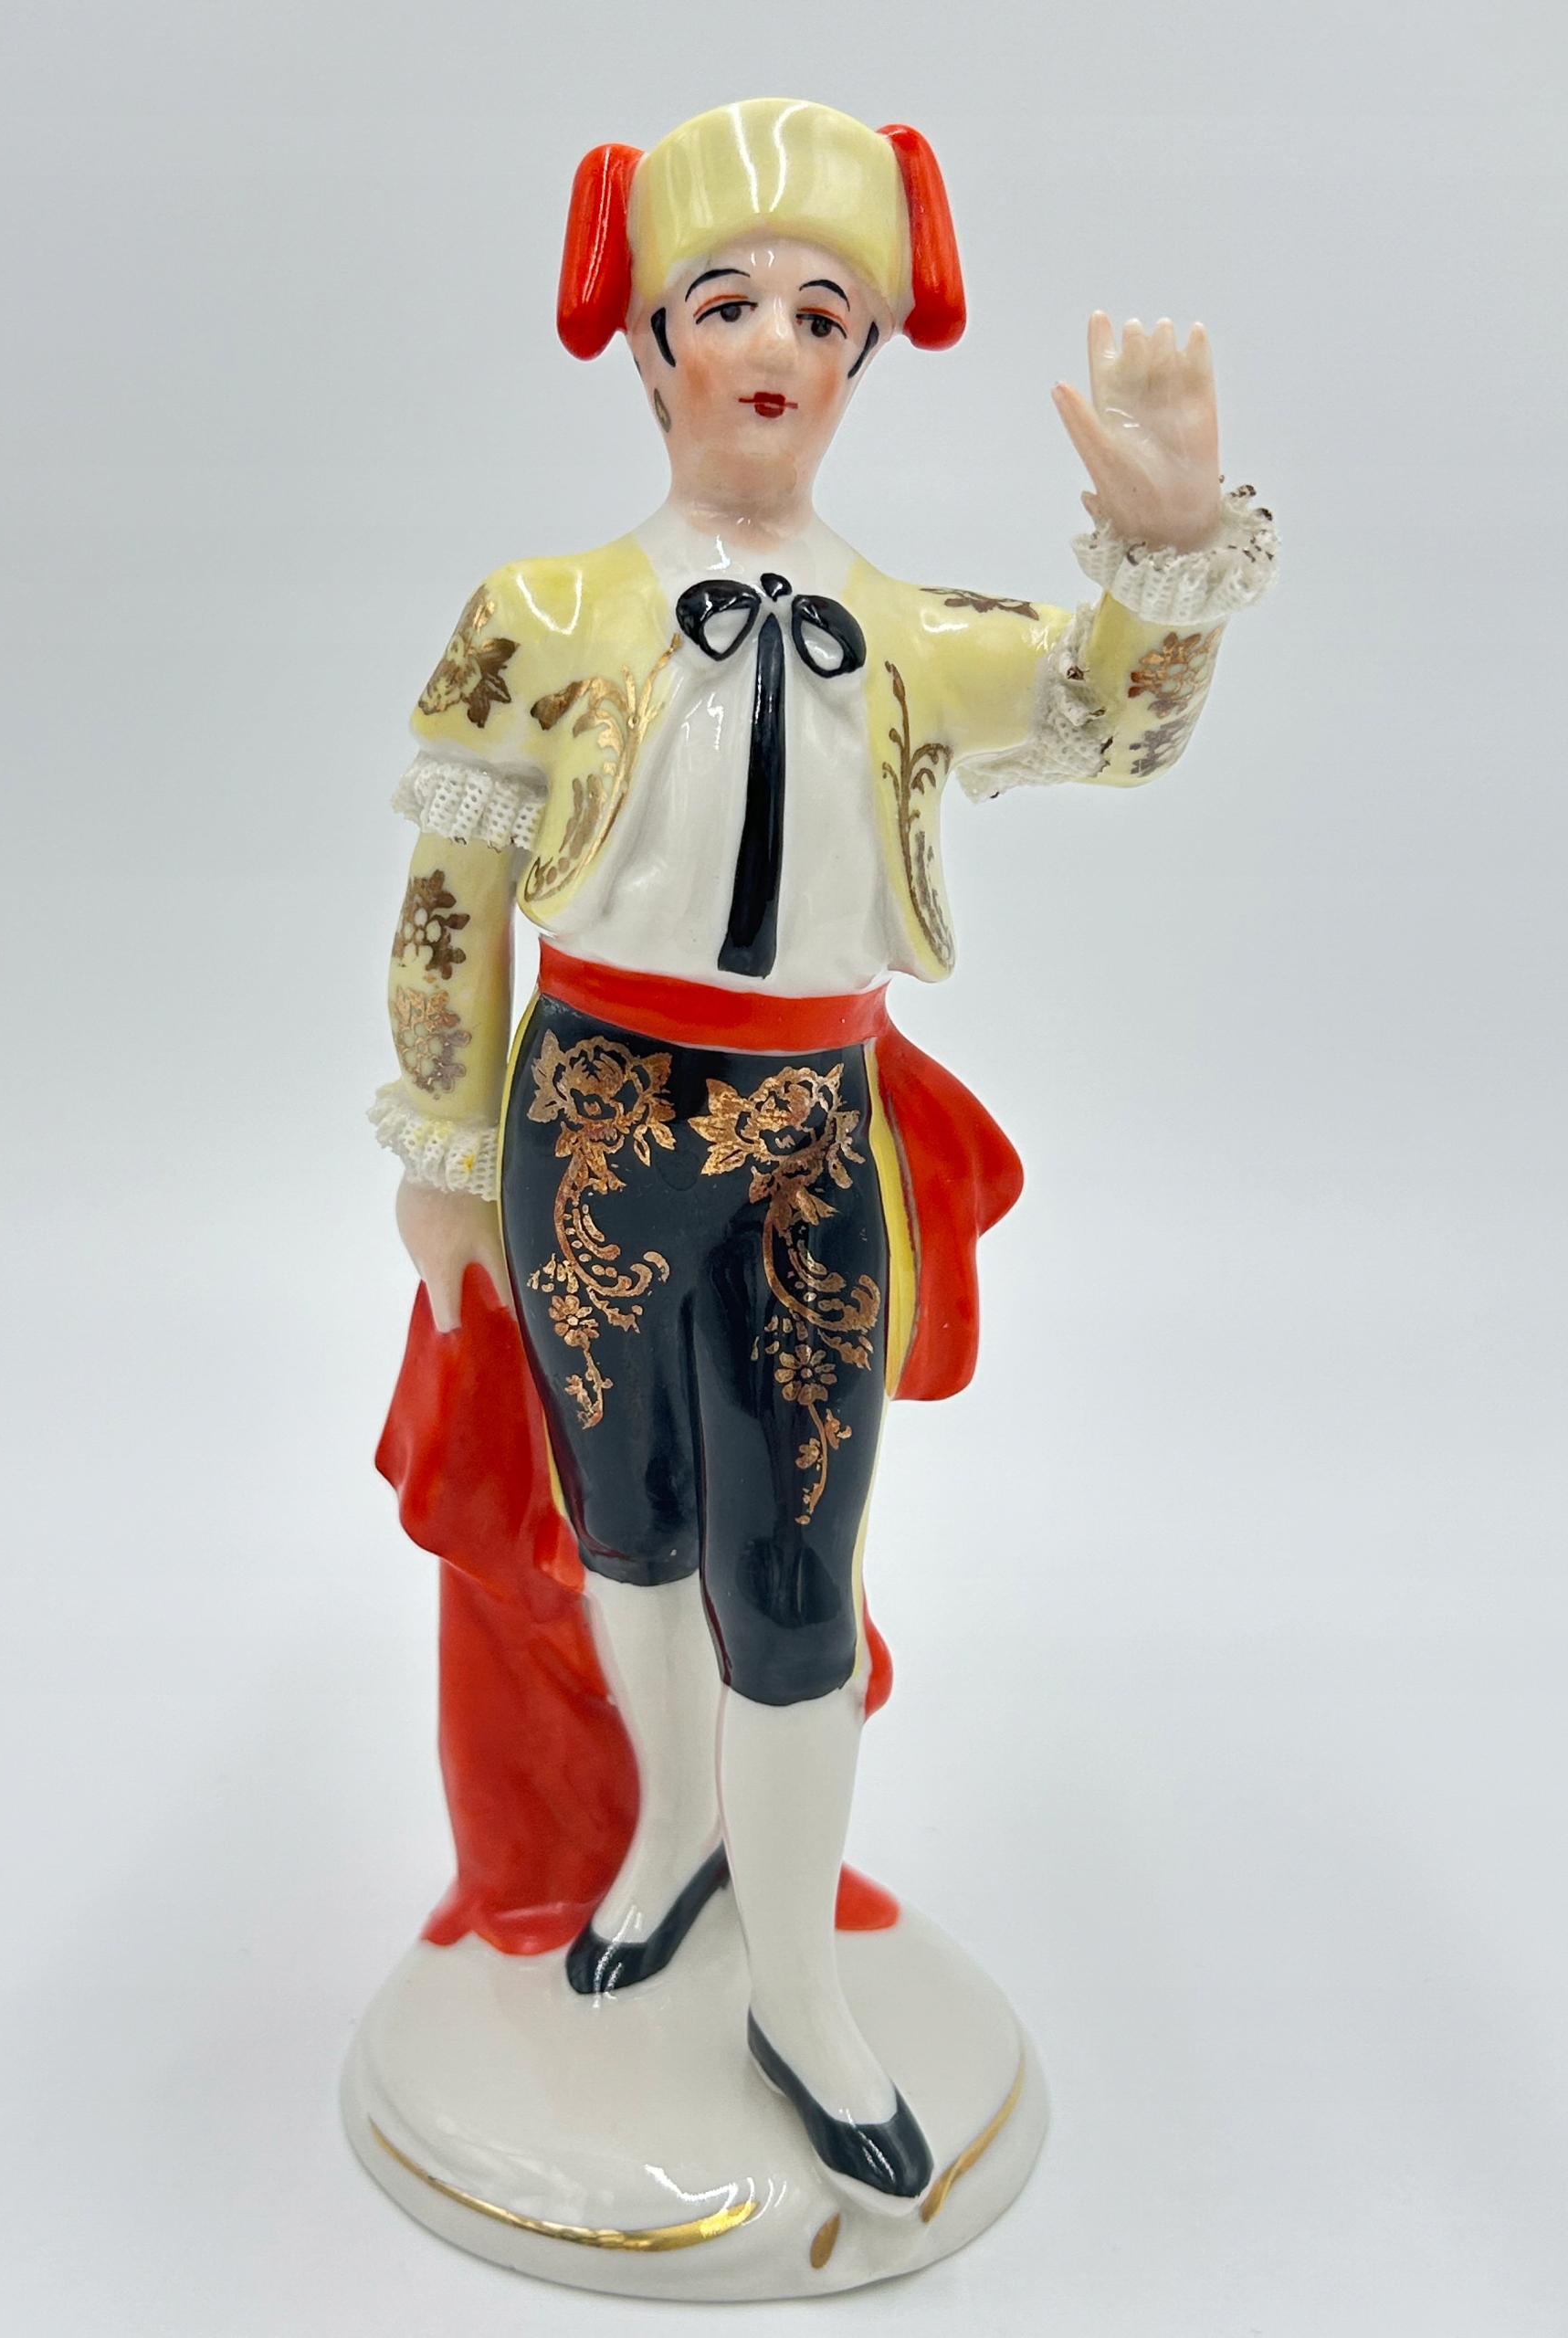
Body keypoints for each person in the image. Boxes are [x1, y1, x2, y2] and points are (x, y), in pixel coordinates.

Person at [372, 97, 1276, 2206]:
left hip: (807, 1134)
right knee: (629, 1524)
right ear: (650, 345)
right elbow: (449, 889)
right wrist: (440, 1137)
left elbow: (1119, 725)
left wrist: (1168, 548)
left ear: (860, 356)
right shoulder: (541, 608)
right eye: (724, 299)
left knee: (797, 1561)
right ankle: (674, 1829)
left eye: (819, 308)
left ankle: (796, 1980)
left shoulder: (918, 635)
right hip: (593, 1120)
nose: (772, 339)